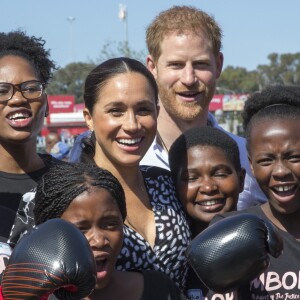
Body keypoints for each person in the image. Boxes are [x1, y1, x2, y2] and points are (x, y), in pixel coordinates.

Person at [140, 5, 266, 210]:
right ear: (152, 67)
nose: (189, 78)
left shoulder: (247, 157)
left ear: (218, 64)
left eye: (200, 64)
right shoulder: (131, 158)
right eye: (176, 65)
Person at [80, 57, 190, 290]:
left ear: (157, 112)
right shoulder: (64, 195)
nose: (132, 124)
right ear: (88, 118)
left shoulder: (169, 183)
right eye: (116, 111)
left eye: (143, 110)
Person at [33, 162, 186, 300]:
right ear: (49, 234)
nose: (99, 241)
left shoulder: (159, 289)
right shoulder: (34, 297)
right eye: (80, 229)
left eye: (109, 224)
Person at [212, 85, 300, 298]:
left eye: (294, 157)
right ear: (251, 166)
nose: (280, 171)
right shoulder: (228, 231)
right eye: (266, 161)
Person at [169, 126, 245, 300]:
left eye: (219, 174)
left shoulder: (268, 245)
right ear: (174, 186)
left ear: (241, 180)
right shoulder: (172, 261)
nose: (208, 187)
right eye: (191, 178)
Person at [0, 30, 58, 238]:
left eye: (31, 88)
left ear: (47, 103)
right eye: (2, 90)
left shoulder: (72, 183)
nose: (17, 99)